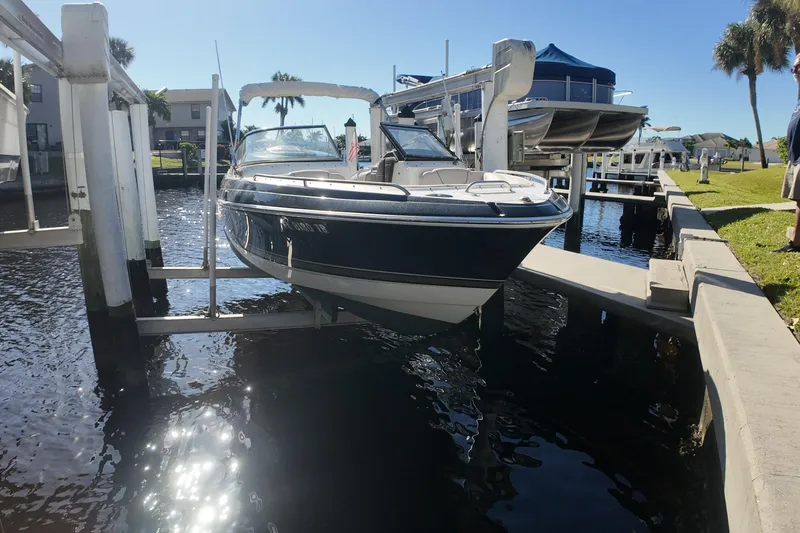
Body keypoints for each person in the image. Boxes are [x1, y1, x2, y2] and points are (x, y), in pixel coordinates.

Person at [777, 53, 800, 252]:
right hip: (795, 156)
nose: (795, 70)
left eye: (798, 66)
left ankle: (796, 242)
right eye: (793, 67)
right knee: (797, 199)